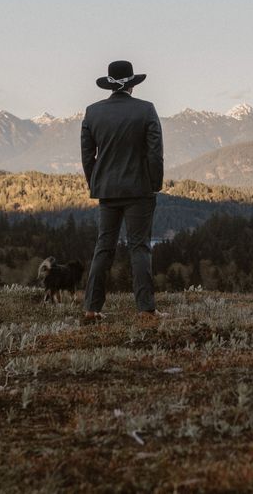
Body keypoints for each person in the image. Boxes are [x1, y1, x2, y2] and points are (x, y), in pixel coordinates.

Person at [80, 60, 165, 321]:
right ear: (132, 85)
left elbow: (87, 155)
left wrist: (95, 182)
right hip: (139, 189)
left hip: (107, 190)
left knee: (103, 247)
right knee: (139, 247)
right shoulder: (146, 110)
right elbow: (155, 152)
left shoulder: (92, 112)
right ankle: (145, 309)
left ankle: (92, 309)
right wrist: (155, 184)